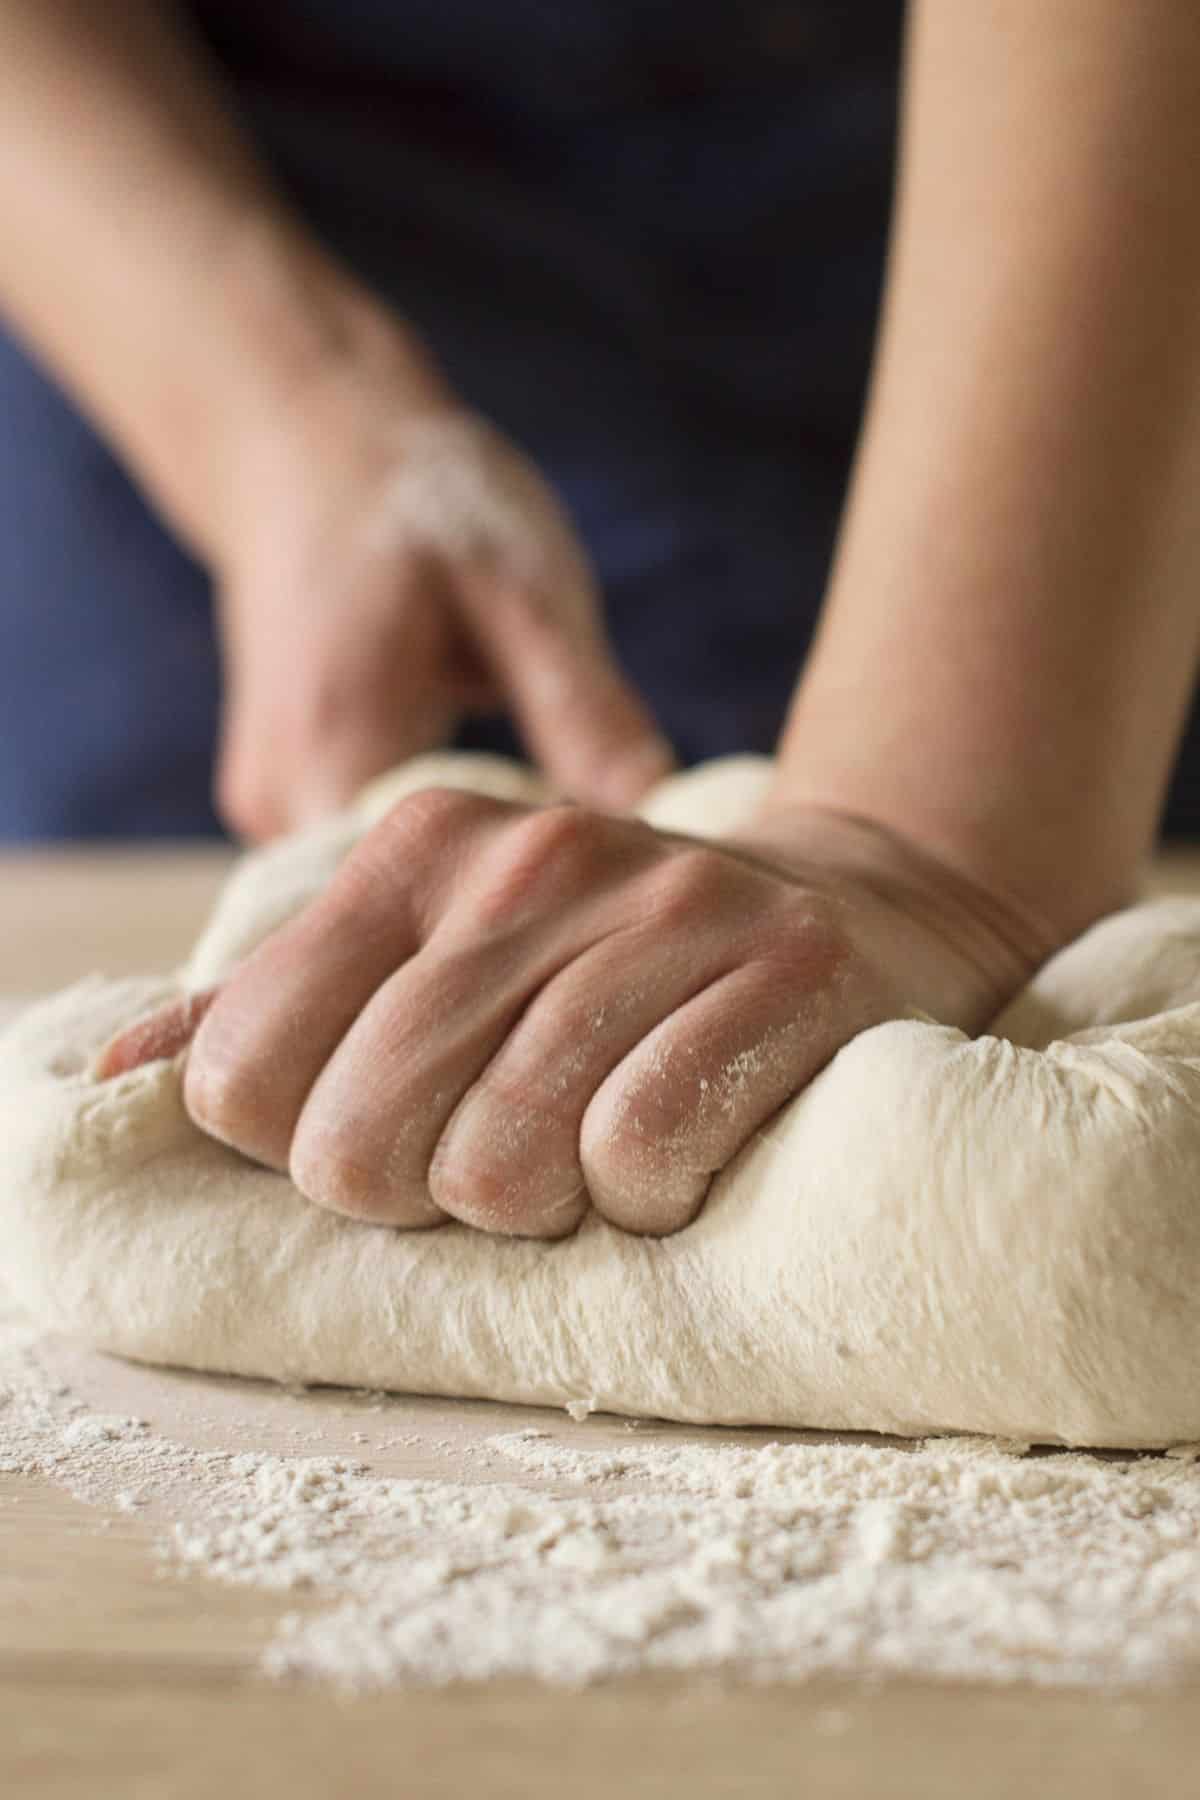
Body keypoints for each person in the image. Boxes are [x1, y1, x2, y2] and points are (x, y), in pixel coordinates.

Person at [10, 3, 1200, 1242]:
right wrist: (277, 411)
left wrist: (937, 840)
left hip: (1053, 219)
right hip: (194, 180)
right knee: (266, 1031)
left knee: (1052, 1156)